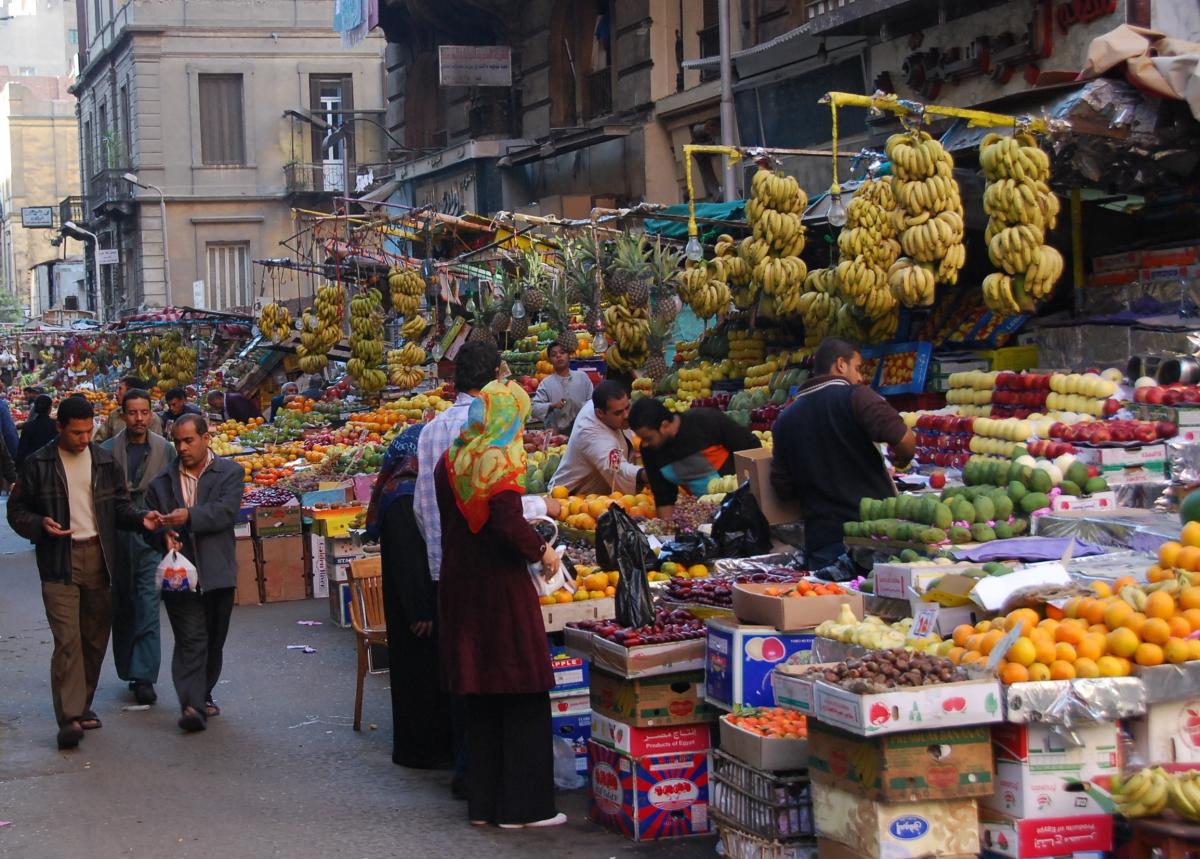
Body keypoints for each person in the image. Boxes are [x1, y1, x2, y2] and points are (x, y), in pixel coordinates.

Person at [436, 379, 565, 829]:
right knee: (523, 692)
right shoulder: (499, 460)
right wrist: (543, 550)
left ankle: (485, 806)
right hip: (499, 590)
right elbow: (507, 522)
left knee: (483, 698)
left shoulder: (452, 459)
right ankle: (523, 808)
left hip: (460, 586)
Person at [6, 396, 159, 749]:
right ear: (60, 428)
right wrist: (39, 524)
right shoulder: (39, 463)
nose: (84, 438)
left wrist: (141, 518)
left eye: (89, 431)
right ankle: (70, 717)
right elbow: (16, 511)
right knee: (67, 641)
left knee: (93, 638)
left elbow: (120, 507)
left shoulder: (104, 461)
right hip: (59, 559)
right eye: (77, 432)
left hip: (100, 558)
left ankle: (83, 703)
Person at [414, 340, 501, 799]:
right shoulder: (492, 428)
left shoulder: (430, 432)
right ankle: (485, 769)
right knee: (490, 667)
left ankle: (464, 764)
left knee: (459, 666)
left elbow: (420, 507)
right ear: (493, 379)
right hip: (485, 570)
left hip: (442, 568)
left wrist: (436, 549)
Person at [770, 337, 916, 568]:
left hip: (823, 543)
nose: (859, 377)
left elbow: (783, 489)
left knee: (833, 603)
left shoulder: (784, 420)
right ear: (840, 365)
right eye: (857, 368)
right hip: (871, 538)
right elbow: (905, 441)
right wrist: (903, 457)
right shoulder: (856, 396)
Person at [145, 414, 245, 733]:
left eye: (189, 440)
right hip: (179, 573)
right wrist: (162, 534)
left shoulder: (229, 472)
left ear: (206, 438)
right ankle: (191, 704)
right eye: (178, 442)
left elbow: (225, 512)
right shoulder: (161, 482)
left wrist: (188, 516)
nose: (183, 447)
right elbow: (149, 526)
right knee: (191, 639)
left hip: (217, 570)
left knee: (213, 640)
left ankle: (201, 693)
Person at [364, 423, 453, 768]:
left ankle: (427, 748)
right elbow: (406, 556)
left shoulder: (411, 487)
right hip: (413, 606)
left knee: (422, 679)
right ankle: (422, 753)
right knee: (420, 680)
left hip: (416, 599)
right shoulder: (403, 495)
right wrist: (420, 611)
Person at [102, 389, 176, 705]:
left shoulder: (165, 450)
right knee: (123, 605)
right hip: (117, 534)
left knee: (147, 601)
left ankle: (144, 675)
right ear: (122, 415)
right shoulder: (105, 451)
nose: (139, 419)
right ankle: (129, 669)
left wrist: (171, 529)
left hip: (151, 531)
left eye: (145, 412)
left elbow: (175, 491)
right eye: (132, 413)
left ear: (152, 414)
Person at [628, 396, 760, 520]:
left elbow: (752, 449)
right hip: (705, 515)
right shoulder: (650, 451)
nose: (644, 444)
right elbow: (664, 499)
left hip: (745, 505)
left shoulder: (705, 421)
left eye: (648, 438)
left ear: (664, 426)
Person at [550, 380, 645, 496]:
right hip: (571, 498)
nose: (626, 415)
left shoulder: (602, 404)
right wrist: (644, 475)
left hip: (601, 496)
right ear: (600, 413)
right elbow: (615, 467)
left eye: (627, 407)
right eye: (618, 413)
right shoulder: (589, 432)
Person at [529, 341, 593, 434]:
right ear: (550, 360)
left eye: (562, 353)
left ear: (569, 355)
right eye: (554, 354)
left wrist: (576, 406)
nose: (558, 356)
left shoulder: (582, 377)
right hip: (557, 436)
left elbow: (592, 403)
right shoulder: (546, 384)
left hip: (583, 431)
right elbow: (534, 409)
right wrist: (552, 405)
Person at [94, 376, 164, 442]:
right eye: (132, 413)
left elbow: (158, 447)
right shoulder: (115, 415)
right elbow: (99, 440)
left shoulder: (153, 419)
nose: (116, 393)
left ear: (131, 392)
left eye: (120, 389)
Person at [16, 394, 58, 467]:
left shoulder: (28, 426)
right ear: (50, 409)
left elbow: (21, 451)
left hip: (33, 465)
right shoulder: (56, 425)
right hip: (52, 465)